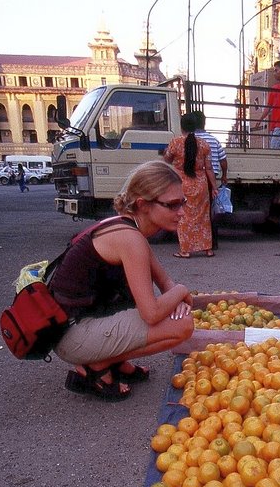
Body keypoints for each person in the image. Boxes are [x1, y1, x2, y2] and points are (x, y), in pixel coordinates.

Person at [49, 161, 194, 402]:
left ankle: (111, 361)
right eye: (172, 204)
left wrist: (176, 297)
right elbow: (152, 312)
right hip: (72, 336)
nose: (182, 212)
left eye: (183, 202)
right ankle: (97, 366)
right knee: (182, 326)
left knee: (171, 313)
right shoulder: (130, 239)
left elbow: (164, 280)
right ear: (142, 204)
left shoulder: (128, 228)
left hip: (78, 323)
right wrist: (182, 291)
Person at [164, 113, 218, 258]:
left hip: (181, 183)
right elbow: (209, 168)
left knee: (184, 216)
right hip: (201, 184)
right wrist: (214, 187)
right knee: (203, 217)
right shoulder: (204, 144)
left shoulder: (175, 143)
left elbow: (167, 159)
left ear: (182, 127)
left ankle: (185, 250)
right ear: (196, 127)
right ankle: (208, 249)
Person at [192, 110, 228, 251]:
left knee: (195, 212)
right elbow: (223, 160)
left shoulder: (189, 139)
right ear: (204, 123)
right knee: (210, 212)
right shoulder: (213, 139)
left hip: (194, 180)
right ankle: (213, 243)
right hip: (211, 180)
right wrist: (224, 175)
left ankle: (196, 243)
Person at [253, 60, 280, 149]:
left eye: (276, 70)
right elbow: (268, 107)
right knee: (273, 150)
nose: (274, 73)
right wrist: (260, 120)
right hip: (273, 126)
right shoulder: (274, 88)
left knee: (274, 150)